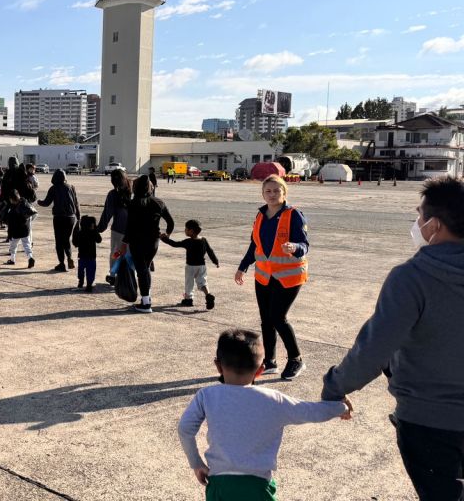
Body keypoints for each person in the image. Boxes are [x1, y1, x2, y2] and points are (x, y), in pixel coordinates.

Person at [321, 176, 464, 500]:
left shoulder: (412, 278)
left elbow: (373, 350)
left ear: (435, 226)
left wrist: (334, 387)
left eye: (419, 216)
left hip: (430, 422)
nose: (417, 223)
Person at [179, 329, 351, 501]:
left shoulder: (206, 395)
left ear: (218, 366)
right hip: (258, 486)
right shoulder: (274, 400)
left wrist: (197, 463)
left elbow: (185, 429)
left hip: (219, 484)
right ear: (260, 370)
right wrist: (340, 407)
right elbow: (312, 412)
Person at [234, 174, 309, 380]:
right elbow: (254, 245)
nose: (273, 194)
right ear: (263, 194)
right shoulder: (260, 215)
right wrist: (243, 267)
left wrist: (294, 247)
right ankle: (270, 362)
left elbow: (305, 245)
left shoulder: (294, 215)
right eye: (268, 191)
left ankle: (296, 359)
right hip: (264, 276)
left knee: (278, 317)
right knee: (266, 320)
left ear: (285, 193)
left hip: (288, 277)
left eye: (277, 191)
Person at [125, 175, 174, 312]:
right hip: (153, 242)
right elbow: (170, 222)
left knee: (141, 270)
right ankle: (147, 298)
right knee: (145, 268)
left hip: (136, 242)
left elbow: (129, 227)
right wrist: (167, 234)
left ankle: (146, 303)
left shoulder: (132, 204)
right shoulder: (158, 203)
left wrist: (124, 243)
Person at [161, 219, 220, 309]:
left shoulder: (188, 242)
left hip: (190, 267)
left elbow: (175, 244)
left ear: (191, 231)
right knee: (203, 282)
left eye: (186, 229)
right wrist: (215, 261)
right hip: (202, 266)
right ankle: (208, 295)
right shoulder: (204, 240)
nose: (185, 230)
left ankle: (188, 299)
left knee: (189, 283)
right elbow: (210, 251)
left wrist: (164, 239)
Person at [37, 169, 81, 272]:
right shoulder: (71, 187)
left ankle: (62, 263)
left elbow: (46, 203)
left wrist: (39, 202)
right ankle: (69, 257)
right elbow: (76, 203)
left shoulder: (53, 188)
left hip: (59, 217)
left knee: (59, 241)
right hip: (71, 218)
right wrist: (78, 216)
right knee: (66, 239)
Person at [97, 169, 132, 284]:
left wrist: (100, 228)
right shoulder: (133, 191)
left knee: (116, 252)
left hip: (118, 230)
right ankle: (130, 276)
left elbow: (107, 213)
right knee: (130, 254)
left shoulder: (113, 194)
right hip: (134, 231)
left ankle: (113, 274)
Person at [2, 190, 36, 268]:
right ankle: (30, 257)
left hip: (16, 231)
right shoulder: (26, 204)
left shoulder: (12, 210)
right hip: (25, 230)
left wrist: (9, 234)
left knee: (13, 246)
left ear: (11, 199)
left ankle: (12, 260)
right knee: (27, 245)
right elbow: (33, 214)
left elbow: (10, 224)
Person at [72, 215, 101, 292]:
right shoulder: (93, 233)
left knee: (81, 270)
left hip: (82, 256)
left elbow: (75, 243)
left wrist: (75, 230)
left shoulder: (80, 233)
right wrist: (95, 230)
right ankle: (89, 284)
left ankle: (81, 281)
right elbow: (99, 240)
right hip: (91, 256)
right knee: (91, 271)